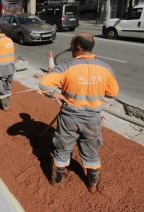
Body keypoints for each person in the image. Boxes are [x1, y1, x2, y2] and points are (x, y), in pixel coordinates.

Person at [39, 32, 119, 192]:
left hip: (69, 119)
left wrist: (55, 93)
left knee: (62, 149)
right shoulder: (105, 68)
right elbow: (112, 92)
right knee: (91, 152)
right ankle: (92, 184)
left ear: (78, 48)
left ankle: (56, 180)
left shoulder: (67, 67)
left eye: (71, 48)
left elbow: (44, 83)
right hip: (93, 121)